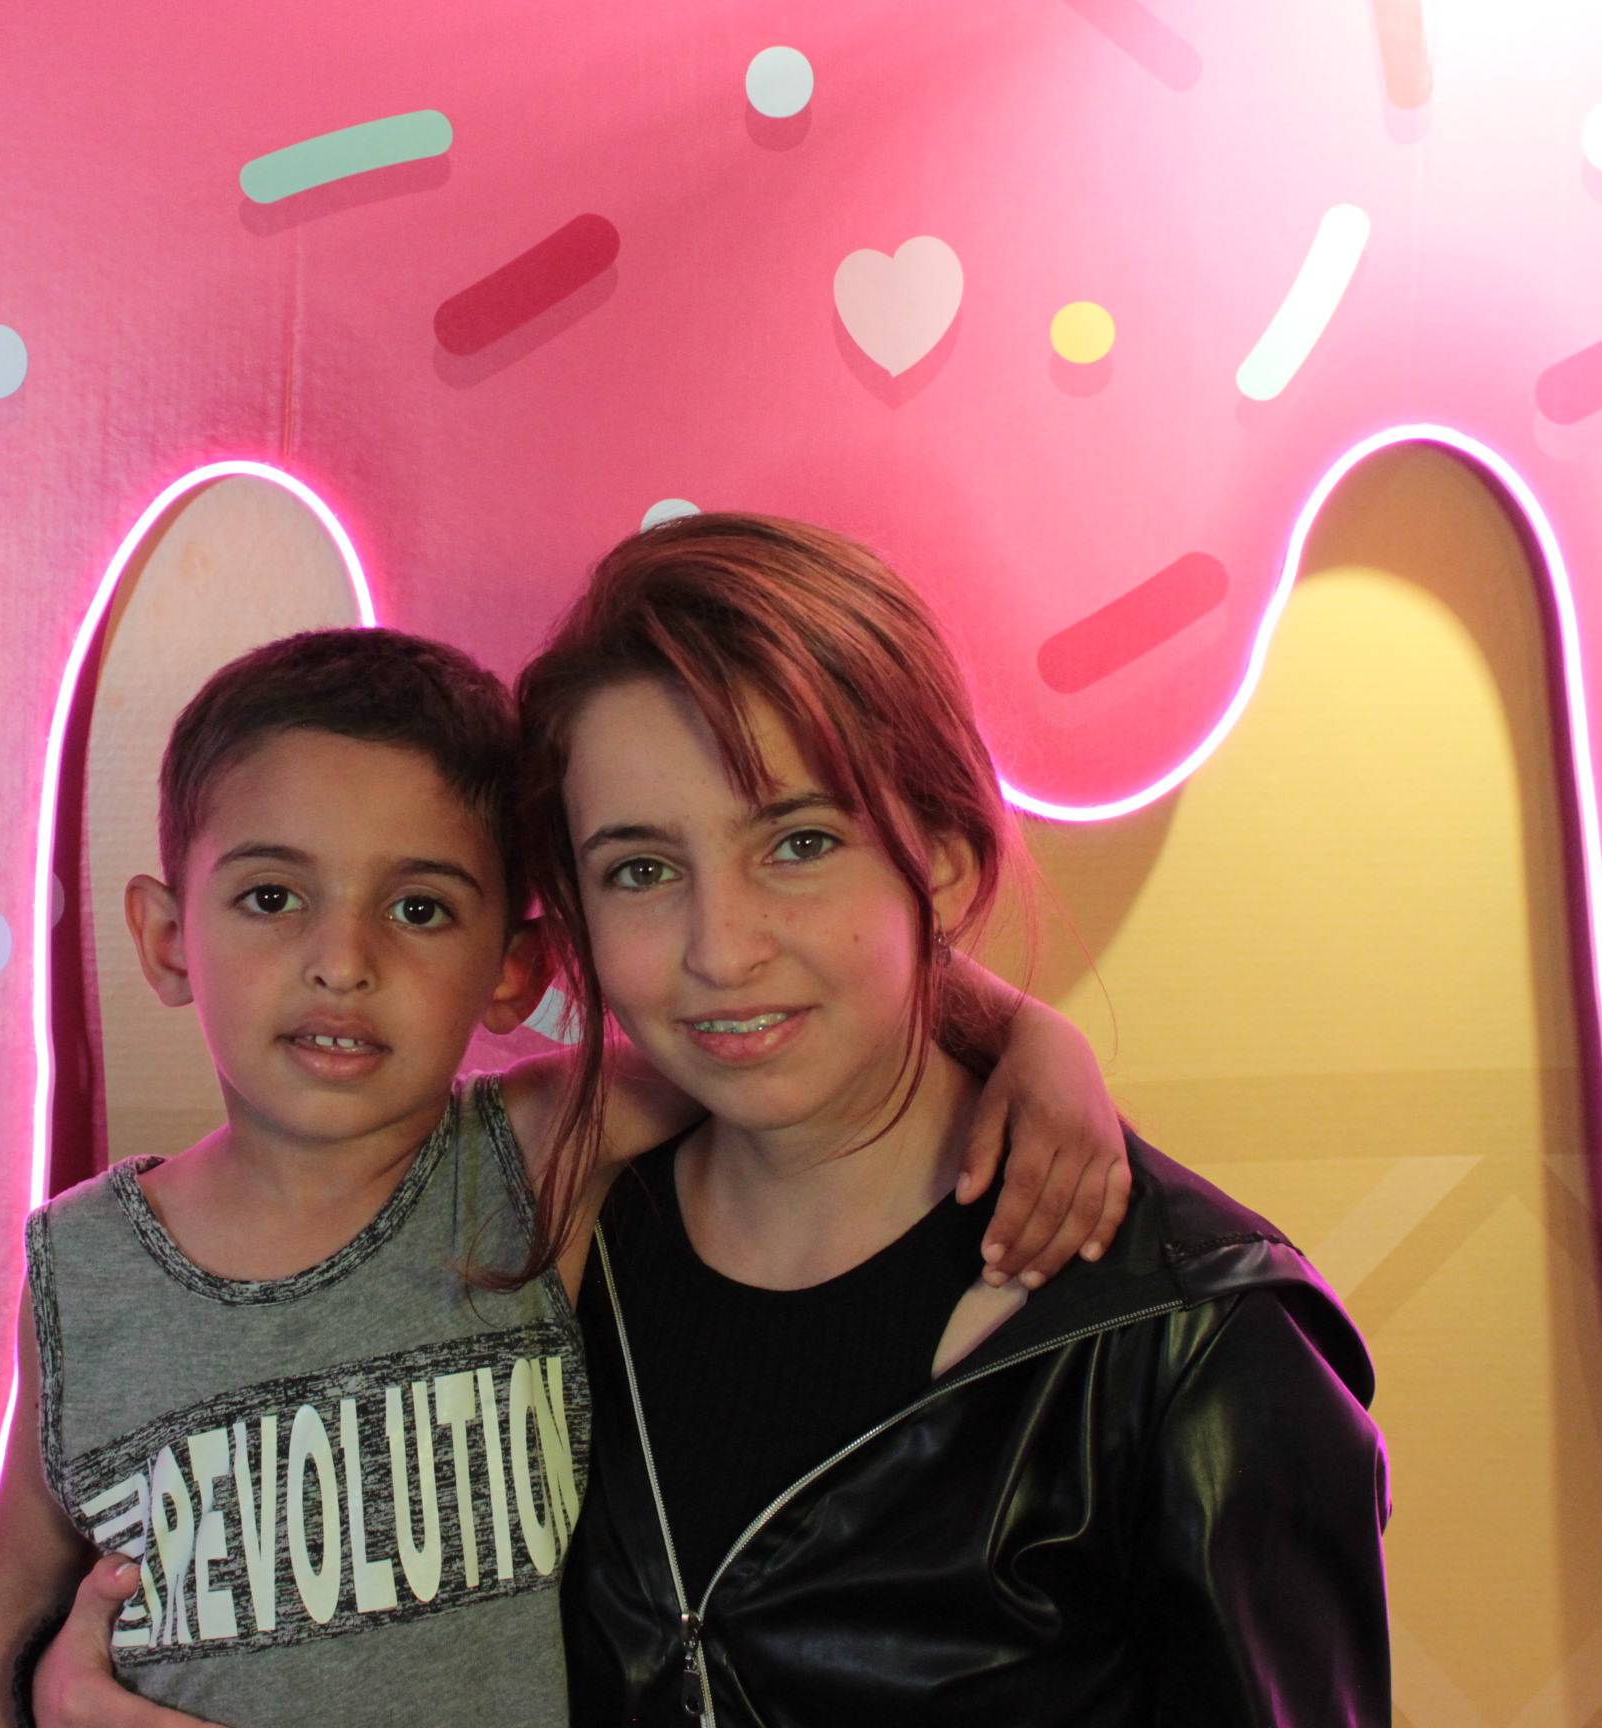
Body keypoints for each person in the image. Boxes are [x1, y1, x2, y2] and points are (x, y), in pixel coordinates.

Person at [0, 627, 1131, 1728]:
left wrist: (1037, 1040)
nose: (341, 962)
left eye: (419, 908)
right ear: (166, 938)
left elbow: (787, 1005)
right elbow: (7, 1622)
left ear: (516, 971)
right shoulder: (83, 1268)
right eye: (272, 897)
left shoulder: (531, 1156)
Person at [517, 514, 1392, 1724]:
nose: (720, 948)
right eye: (642, 870)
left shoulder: (1193, 1335)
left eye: (799, 843)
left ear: (944, 859)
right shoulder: (547, 1251)